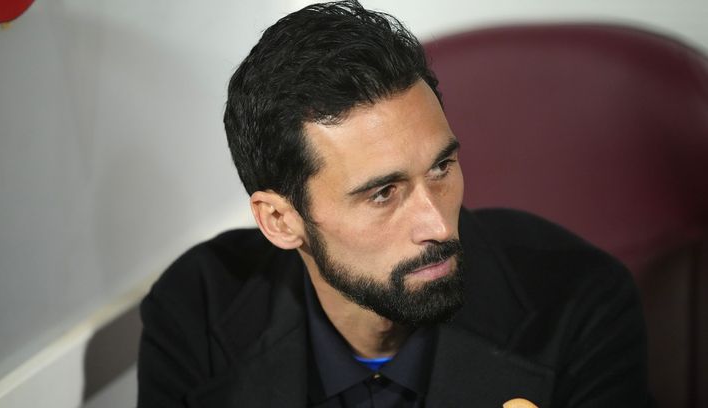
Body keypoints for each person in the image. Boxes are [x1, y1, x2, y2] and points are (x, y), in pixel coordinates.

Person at [137, 1, 650, 407]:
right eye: (383, 193)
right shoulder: (197, 311)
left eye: (441, 168)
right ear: (280, 220)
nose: (438, 225)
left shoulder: (580, 300)